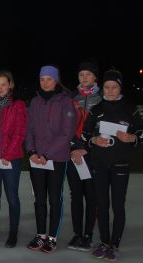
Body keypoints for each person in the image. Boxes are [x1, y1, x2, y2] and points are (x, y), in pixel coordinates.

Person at [82, 70, 143, 261]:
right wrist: (94, 140)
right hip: (99, 164)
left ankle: (115, 244)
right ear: (103, 88)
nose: (110, 91)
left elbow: (142, 132)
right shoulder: (96, 109)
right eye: (107, 87)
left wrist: (132, 137)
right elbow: (84, 135)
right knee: (102, 204)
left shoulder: (130, 109)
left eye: (114, 87)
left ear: (120, 88)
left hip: (120, 164)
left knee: (118, 205)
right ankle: (104, 241)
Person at [25, 65, 76, 253]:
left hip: (56, 159)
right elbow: (28, 129)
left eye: (49, 79)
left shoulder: (65, 101)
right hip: (36, 159)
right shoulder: (35, 101)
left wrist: (47, 154)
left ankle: (52, 236)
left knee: (54, 198)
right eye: (42, 79)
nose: (45, 83)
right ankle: (40, 234)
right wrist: (31, 151)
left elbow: (67, 132)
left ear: (56, 80)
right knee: (39, 199)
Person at [0, 70, 27, 248]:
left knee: (12, 197)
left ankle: (13, 232)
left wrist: (8, 156)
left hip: (12, 159)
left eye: (4, 84)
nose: (0, 87)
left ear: (10, 85)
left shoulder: (18, 105)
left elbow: (19, 132)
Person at [66, 61, 102, 251]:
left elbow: (104, 130)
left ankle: (88, 235)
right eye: (81, 75)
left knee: (92, 195)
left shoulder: (102, 98)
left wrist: (86, 148)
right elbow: (66, 127)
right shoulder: (72, 98)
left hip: (93, 155)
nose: (84, 78)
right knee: (76, 195)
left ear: (95, 77)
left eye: (88, 74)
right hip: (74, 154)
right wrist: (74, 148)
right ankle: (77, 233)